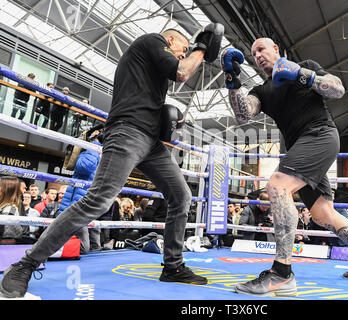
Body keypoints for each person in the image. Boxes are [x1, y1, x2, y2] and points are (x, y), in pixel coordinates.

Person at [0, 23, 224, 298]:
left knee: (181, 196)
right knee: (98, 201)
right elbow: (182, 72)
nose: (184, 53)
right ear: (169, 39)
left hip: (151, 143)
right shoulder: (152, 41)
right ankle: (26, 263)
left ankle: (173, 266)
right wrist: (202, 47)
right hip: (127, 132)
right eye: (183, 48)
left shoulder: (155, 69)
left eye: (189, 50)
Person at [222, 38, 348, 296]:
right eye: (253, 54)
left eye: (261, 49)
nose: (258, 55)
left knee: (277, 185)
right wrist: (232, 79)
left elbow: (337, 89)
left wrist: (302, 75)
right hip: (300, 147)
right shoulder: (262, 91)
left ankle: (281, 273)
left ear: (275, 49)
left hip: (320, 135)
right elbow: (243, 113)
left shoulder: (305, 66)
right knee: (322, 214)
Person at [57, 128, 103, 253]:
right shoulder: (90, 151)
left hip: (87, 204)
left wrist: (95, 143)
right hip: (77, 205)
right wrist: (95, 144)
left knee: (93, 248)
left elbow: (87, 167)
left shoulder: (99, 150)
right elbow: (85, 167)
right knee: (83, 247)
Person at [0, 176, 24, 244]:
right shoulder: (3, 206)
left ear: (6, 190)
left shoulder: (10, 209)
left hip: (4, 244)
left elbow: (5, 232)